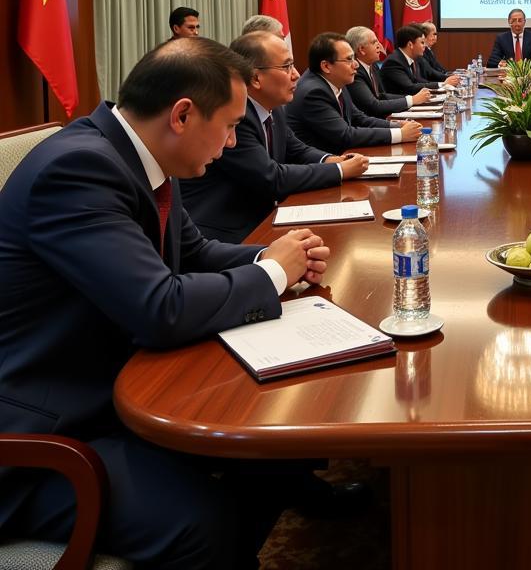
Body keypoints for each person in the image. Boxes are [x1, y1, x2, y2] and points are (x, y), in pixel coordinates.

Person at [0, 37, 332, 569]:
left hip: (111, 386)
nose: (230, 144)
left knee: (266, 456)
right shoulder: (77, 170)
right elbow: (159, 307)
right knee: (202, 523)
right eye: (227, 126)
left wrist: (267, 259)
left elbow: (193, 253)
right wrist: (272, 274)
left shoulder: (138, 155)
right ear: (181, 115)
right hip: (43, 438)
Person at [179, 31, 369, 244]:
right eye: (286, 66)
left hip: (264, 216)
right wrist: (340, 171)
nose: (297, 74)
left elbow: (295, 148)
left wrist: (331, 160)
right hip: (226, 231)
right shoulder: (236, 117)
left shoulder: (274, 108)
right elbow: (271, 178)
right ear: (255, 77)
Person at [287, 32, 422, 151]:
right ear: (326, 66)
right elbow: (345, 135)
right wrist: (400, 134)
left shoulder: (336, 80)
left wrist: (396, 125)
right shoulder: (314, 92)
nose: (356, 64)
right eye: (349, 59)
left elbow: (359, 118)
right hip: (323, 165)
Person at [346, 26, 432, 118]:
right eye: (374, 42)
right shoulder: (355, 72)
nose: (379, 45)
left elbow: (381, 96)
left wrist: (412, 99)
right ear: (362, 50)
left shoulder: (373, 66)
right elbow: (374, 106)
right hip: (368, 125)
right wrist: (412, 100)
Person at [380, 25, 460, 95]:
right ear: (410, 44)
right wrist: (442, 84)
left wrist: (443, 84)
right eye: (422, 42)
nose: (425, 46)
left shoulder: (410, 59)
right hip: (398, 109)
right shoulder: (394, 62)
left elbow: (419, 81)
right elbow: (410, 87)